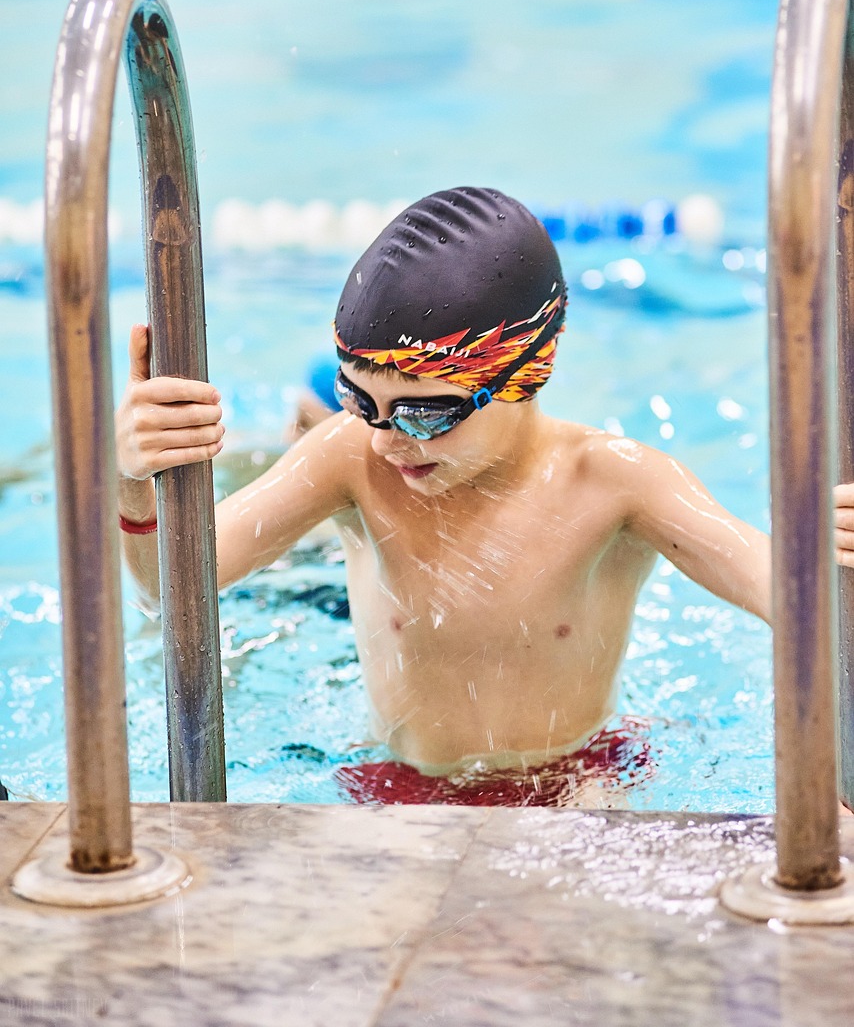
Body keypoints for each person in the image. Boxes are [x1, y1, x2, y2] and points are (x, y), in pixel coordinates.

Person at [114, 186, 850, 807]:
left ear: (532, 368)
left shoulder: (617, 483)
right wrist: (134, 480)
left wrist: (831, 556)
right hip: (397, 785)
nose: (386, 440)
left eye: (426, 411)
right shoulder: (350, 461)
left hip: (577, 785)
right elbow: (166, 592)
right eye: (359, 400)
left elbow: (798, 601)